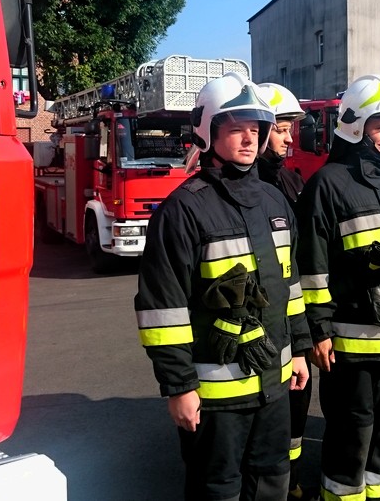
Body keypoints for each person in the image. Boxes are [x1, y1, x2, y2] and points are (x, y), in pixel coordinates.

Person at [134, 72, 312, 500]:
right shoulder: (183, 210)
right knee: (217, 489)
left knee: (271, 479)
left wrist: (301, 350)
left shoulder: (275, 202)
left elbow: (289, 285)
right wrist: (178, 386)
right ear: (208, 132)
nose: (249, 140)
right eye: (236, 130)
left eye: (256, 130)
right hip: (215, 393)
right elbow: (163, 309)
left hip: (275, 381)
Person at [296, 74, 380, 501]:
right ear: (355, 125)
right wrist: (319, 330)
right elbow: (312, 267)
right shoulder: (326, 184)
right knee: (353, 433)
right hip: (351, 341)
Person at [257, 81, 317, 501]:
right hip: (260, 328)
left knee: (297, 406)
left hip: (295, 323)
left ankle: (290, 478)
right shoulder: (246, 191)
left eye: (291, 128)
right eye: (281, 128)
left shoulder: (292, 183)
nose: (289, 137)